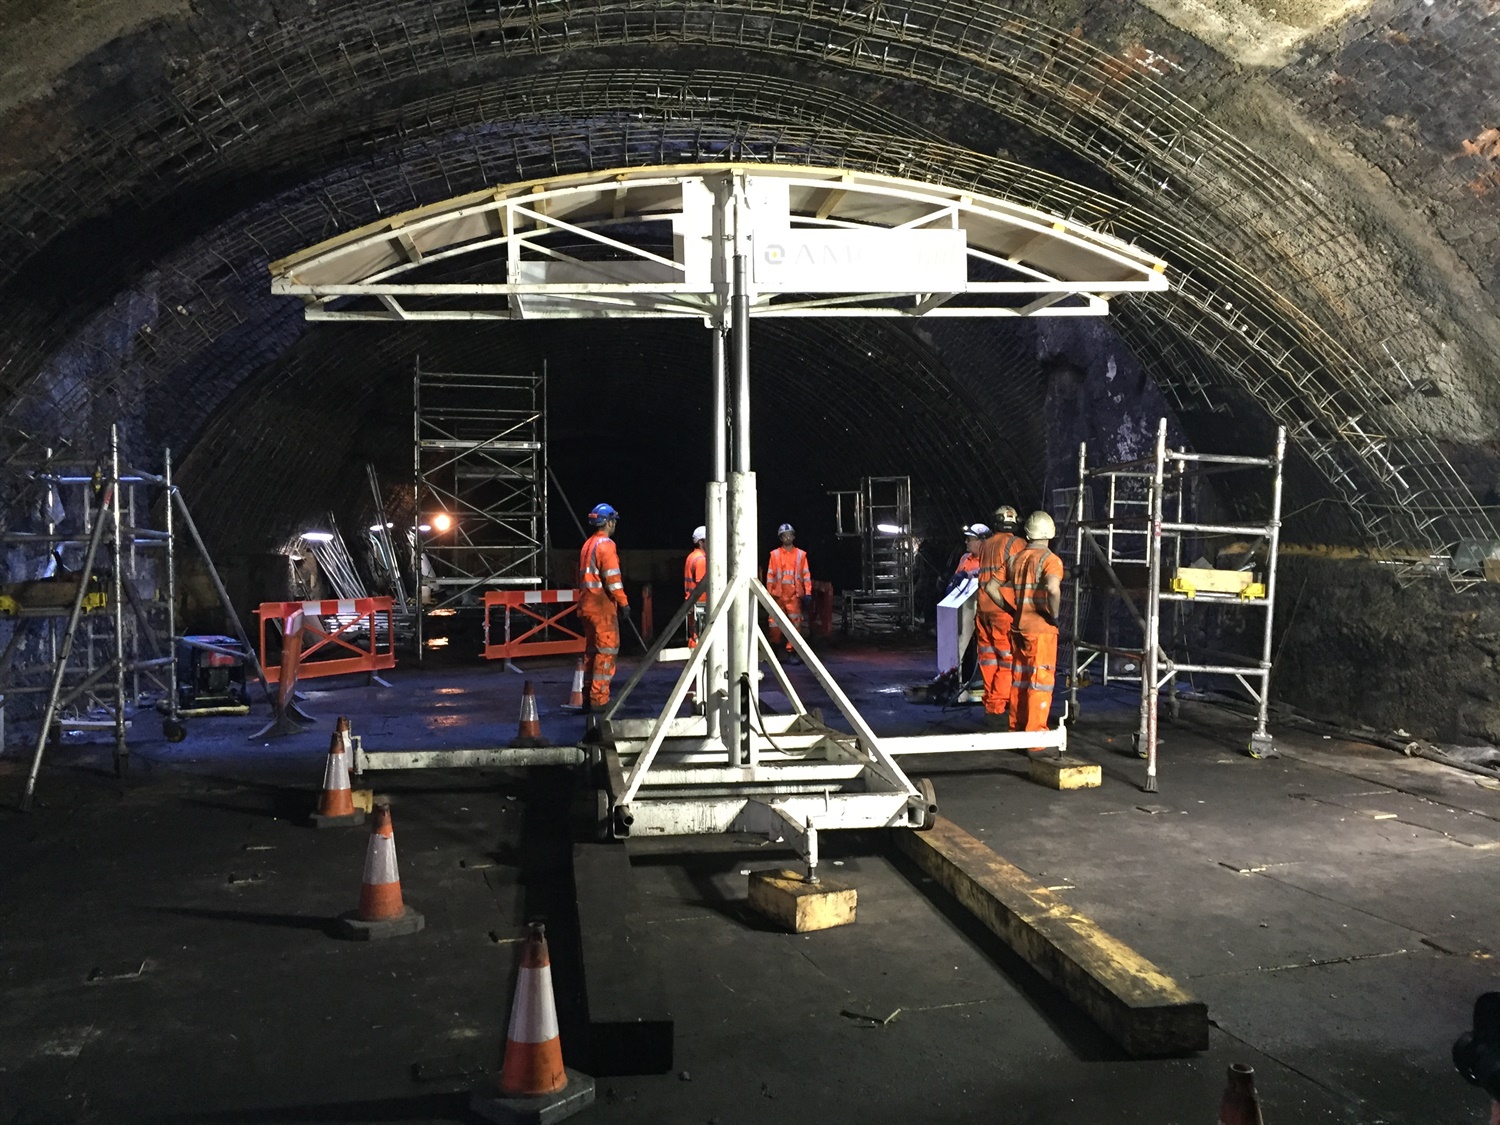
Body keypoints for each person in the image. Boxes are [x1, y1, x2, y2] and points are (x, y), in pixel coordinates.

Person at [1007, 511, 1065, 751]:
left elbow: (994, 586)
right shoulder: (1052, 560)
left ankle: (1016, 731)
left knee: (1020, 680)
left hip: (1019, 627)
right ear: (1050, 532)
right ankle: (1035, 738)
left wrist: (1013, 609)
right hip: (1041, 630)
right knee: (1039, 682)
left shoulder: (1015, 559)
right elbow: (1052, 588)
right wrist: (1055, 615)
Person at [576, 503, 629, 711]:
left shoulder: (588, 545)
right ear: (608, 522)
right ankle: (600, 700)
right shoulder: (606, 545)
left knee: (592, 652)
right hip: (601, 607)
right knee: (606, 651)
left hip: (587, 605)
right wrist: (623, 603)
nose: (614, 524)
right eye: (613, 520)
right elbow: (612, 580)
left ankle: (589, 696)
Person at [975, 505, 1023, 725]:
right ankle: (997, 706)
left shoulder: (986, 545)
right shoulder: (1017, 544)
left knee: (988, 658)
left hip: (983, 609)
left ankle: (989, 703)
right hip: (1003, 608)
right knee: (1007, 659)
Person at [764, 522, 812, 662]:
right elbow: (770, 575)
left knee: (795, 624)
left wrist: (808, 592)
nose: (787, 538)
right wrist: (769, 594)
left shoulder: (801, 555)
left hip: (794, 595)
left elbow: (806, 574)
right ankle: (775, 648)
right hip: (778, 595)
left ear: (793, 536)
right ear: (781, 538)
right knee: (774, 624)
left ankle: (792, 652)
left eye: (789, 535)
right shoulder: (774, 554)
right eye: (784, 536)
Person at [944, 523, 989, 596]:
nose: (966, 542)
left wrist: (966, 574)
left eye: (969, 539)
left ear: (980, 542)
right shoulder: (964, 557)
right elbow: (956, 577)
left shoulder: (991, 559)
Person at [684, 525, 707, 648]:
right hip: (701, 605)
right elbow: (702, 585)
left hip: (692, 603)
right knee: (700, 637)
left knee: (694, 635)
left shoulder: (691, 557)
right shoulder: (701, 560)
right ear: (701, 542)